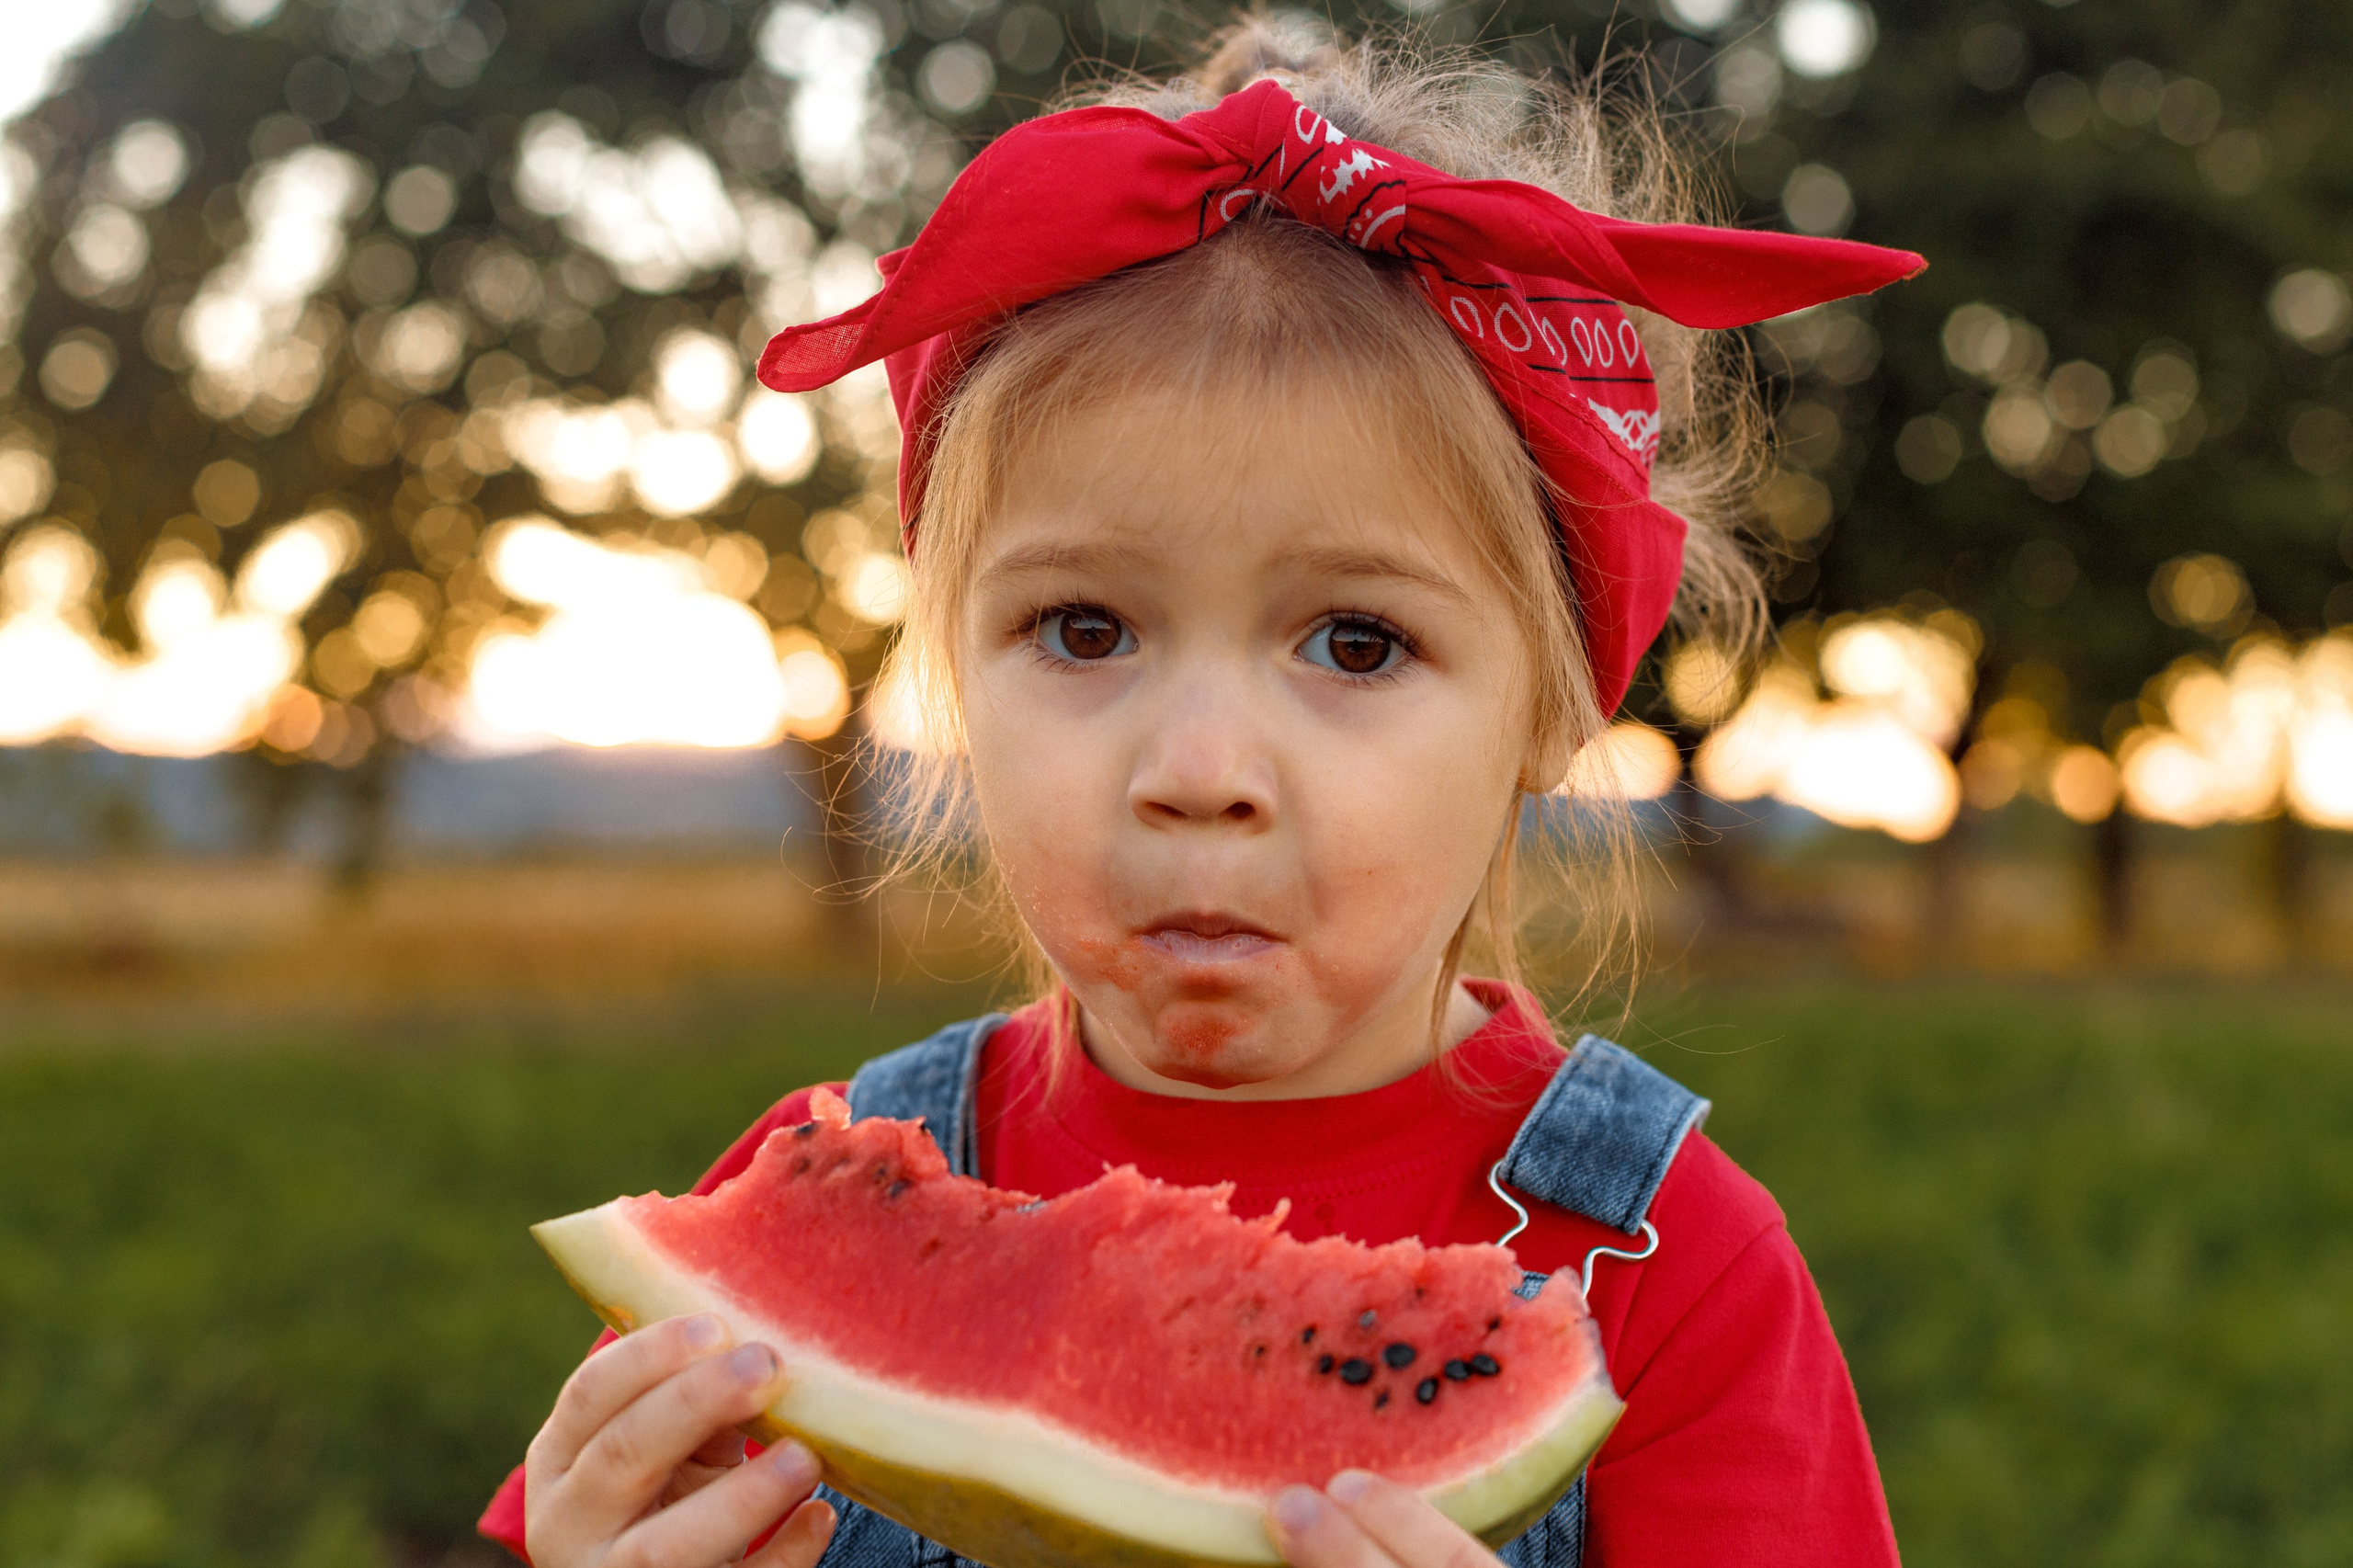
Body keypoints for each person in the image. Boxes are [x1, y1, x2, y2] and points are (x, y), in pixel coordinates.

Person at [483, 17, 1923, 1568]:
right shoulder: (802, 1189)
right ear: (958, 673)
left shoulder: (1675, 1272)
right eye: (1084, 630)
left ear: (1553, 707)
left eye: (1356, 642)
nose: (1200, 776)